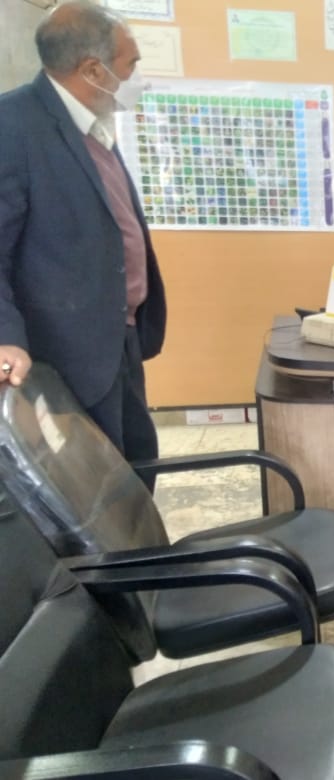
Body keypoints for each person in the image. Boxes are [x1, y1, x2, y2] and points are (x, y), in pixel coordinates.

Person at [0, 2, 166, 483]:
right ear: (93, 69)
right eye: (131, 64)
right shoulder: (14, 127)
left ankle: (142, 536)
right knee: (98, 488)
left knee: (137, 465)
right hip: (66, 355)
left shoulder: (90, 122)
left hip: (120, 338)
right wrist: (5, 337)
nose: (138, 78)